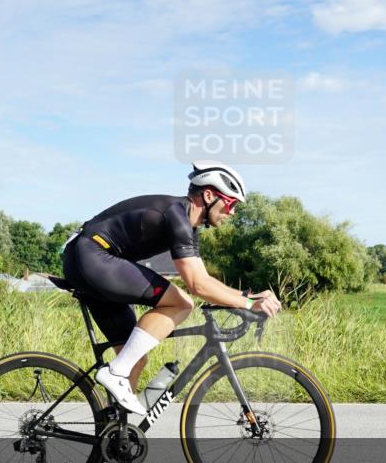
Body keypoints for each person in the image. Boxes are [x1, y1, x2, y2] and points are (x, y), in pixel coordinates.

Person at [61, 160, 282, 416]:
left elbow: (203, 278)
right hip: (92, 257)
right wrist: (247, 304)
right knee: (181, 303)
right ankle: (115, 372)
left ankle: (113, 435)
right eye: (231, 203)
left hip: (89, 261)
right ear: (209, 195)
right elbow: (197, 285)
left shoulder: (186, 224)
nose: (232, 212)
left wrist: (247, 296)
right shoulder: (176, 214)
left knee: (134, 358)